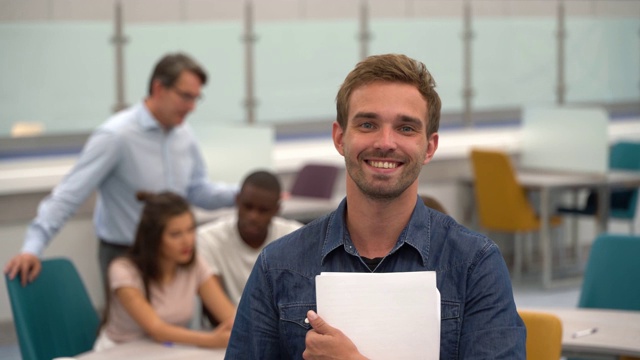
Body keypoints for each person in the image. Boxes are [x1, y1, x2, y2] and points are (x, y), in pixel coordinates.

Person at [226, 54, 525, 359]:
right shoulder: (278, 266)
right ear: (340, 138)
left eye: (406, 128)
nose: (385, 142)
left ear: (429, 147)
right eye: (368, 124)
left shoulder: (474, 265)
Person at [4, 52, 237, 286]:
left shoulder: (184, 135)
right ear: (159, 88)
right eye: (186, 97)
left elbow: (196, 191)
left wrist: (242, 195)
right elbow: (68, 195)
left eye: (197, 98)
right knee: (134, 324)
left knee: (179, 321)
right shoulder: (116, 136)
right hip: (126, 257)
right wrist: (32, 248)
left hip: (173, 256)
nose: (192, 107)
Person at [94, 191, 235, 351]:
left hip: (166, 349)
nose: (187, 241)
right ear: (153, 238)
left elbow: (230, 316)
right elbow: (156, 329)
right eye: (175, 234)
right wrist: (211, 339)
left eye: (191, 230)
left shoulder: (195, 264)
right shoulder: (123, 271)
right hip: (119, 351)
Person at [197, 170, 303, 306]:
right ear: (237, 200)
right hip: (228, 324)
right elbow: (212, 305)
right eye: (248, 207)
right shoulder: (208, 239)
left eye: (263, 210)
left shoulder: (295, 238)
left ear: (276, 210)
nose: (253, 216)